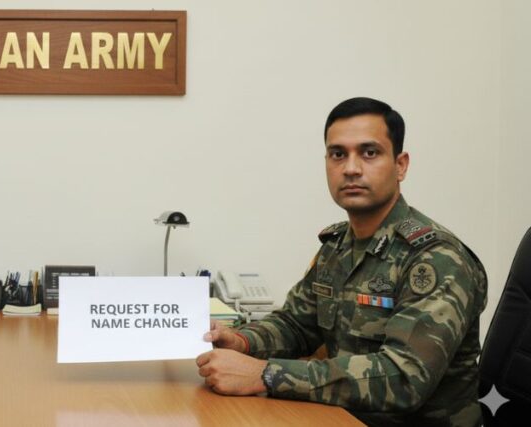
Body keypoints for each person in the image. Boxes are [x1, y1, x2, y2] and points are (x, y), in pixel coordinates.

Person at [196, 97, 487, 426]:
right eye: (338, 154)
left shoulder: (435, 258)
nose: (351, 168)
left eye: (369, 152)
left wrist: (266, 374)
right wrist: (241, 340)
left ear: (401, 165)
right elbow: (296, 325)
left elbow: (404, 378)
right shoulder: (336, 247)